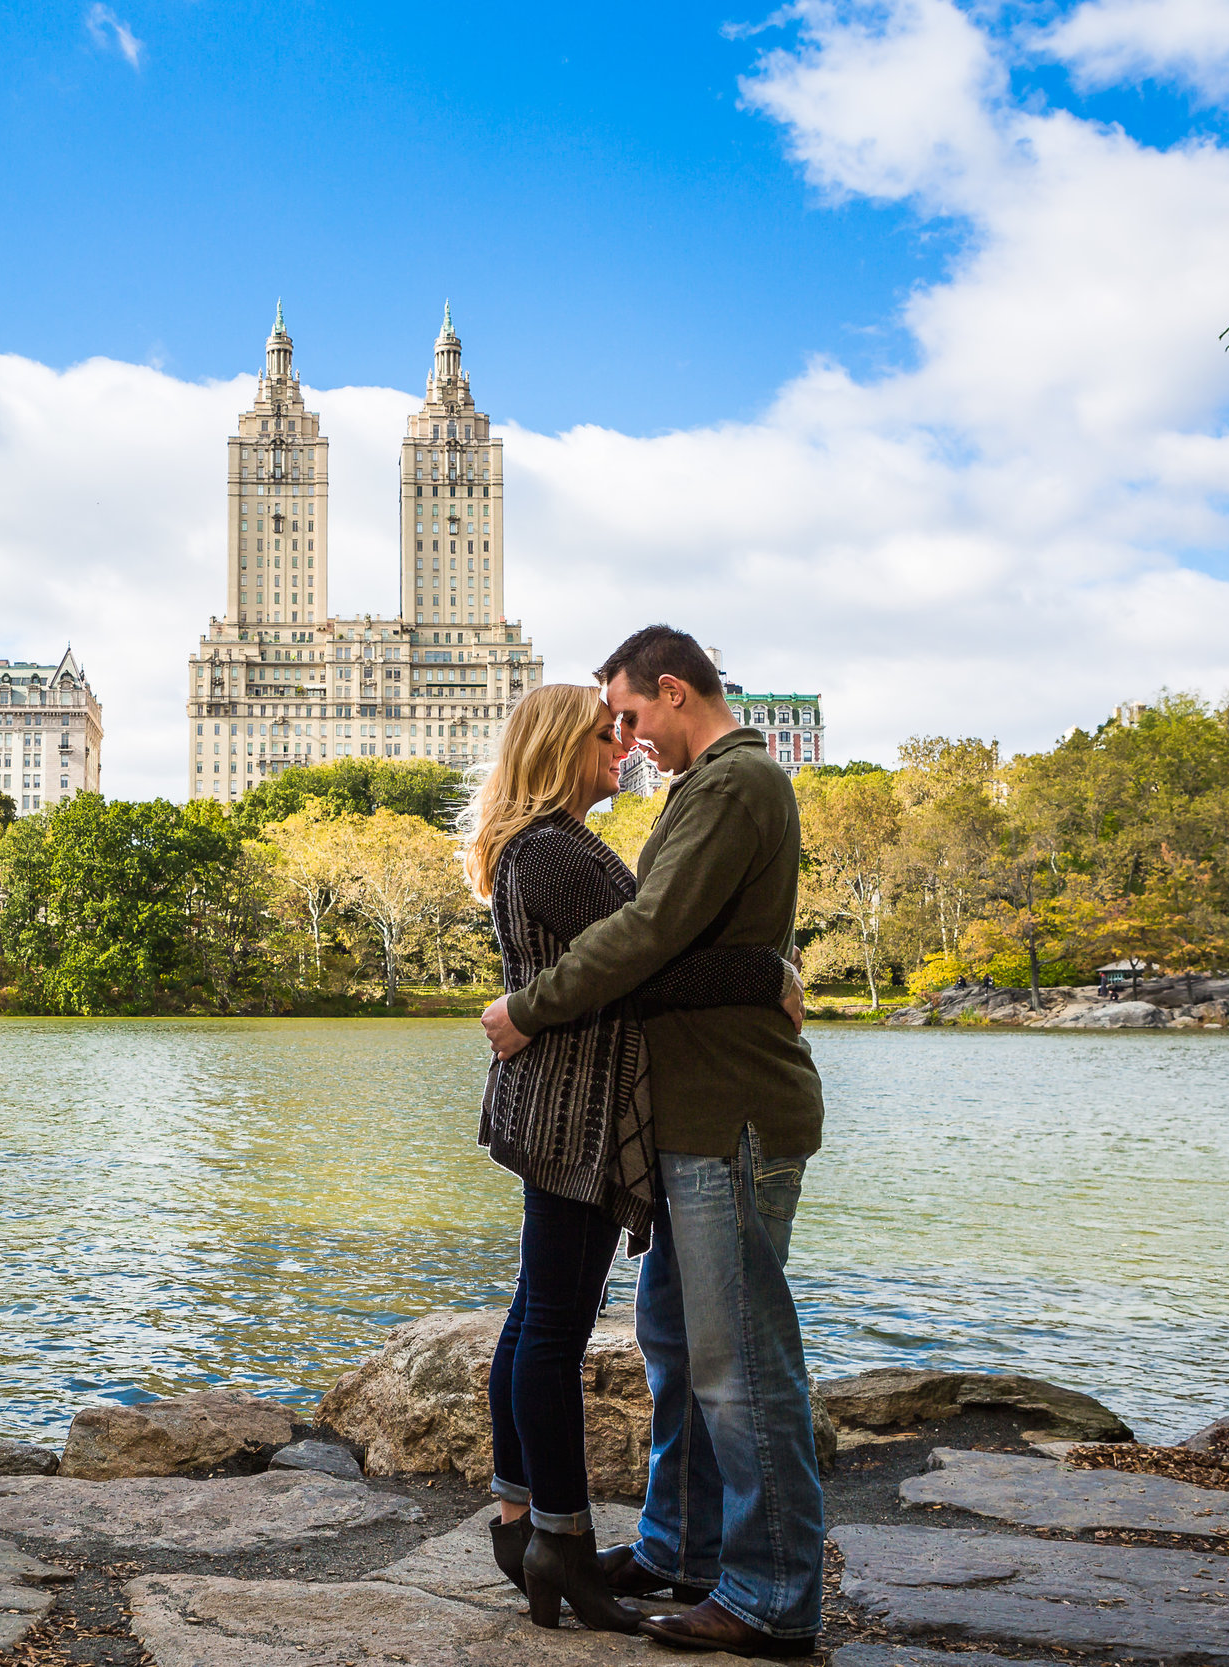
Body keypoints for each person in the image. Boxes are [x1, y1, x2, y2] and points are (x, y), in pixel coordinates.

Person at [482, 624, 827, 1659]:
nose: (627, 742)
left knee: (739, 1364)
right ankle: (680, 1546)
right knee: (679, 1349)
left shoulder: (730, 784)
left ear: (672, 690)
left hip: (732, 1111)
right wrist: (760, 970)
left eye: (628, 717)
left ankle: (770, 1593)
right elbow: (650, 941)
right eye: (609, 729)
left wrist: (528, 1010)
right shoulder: (692, 794)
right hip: (691, 1117)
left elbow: (641, 942)